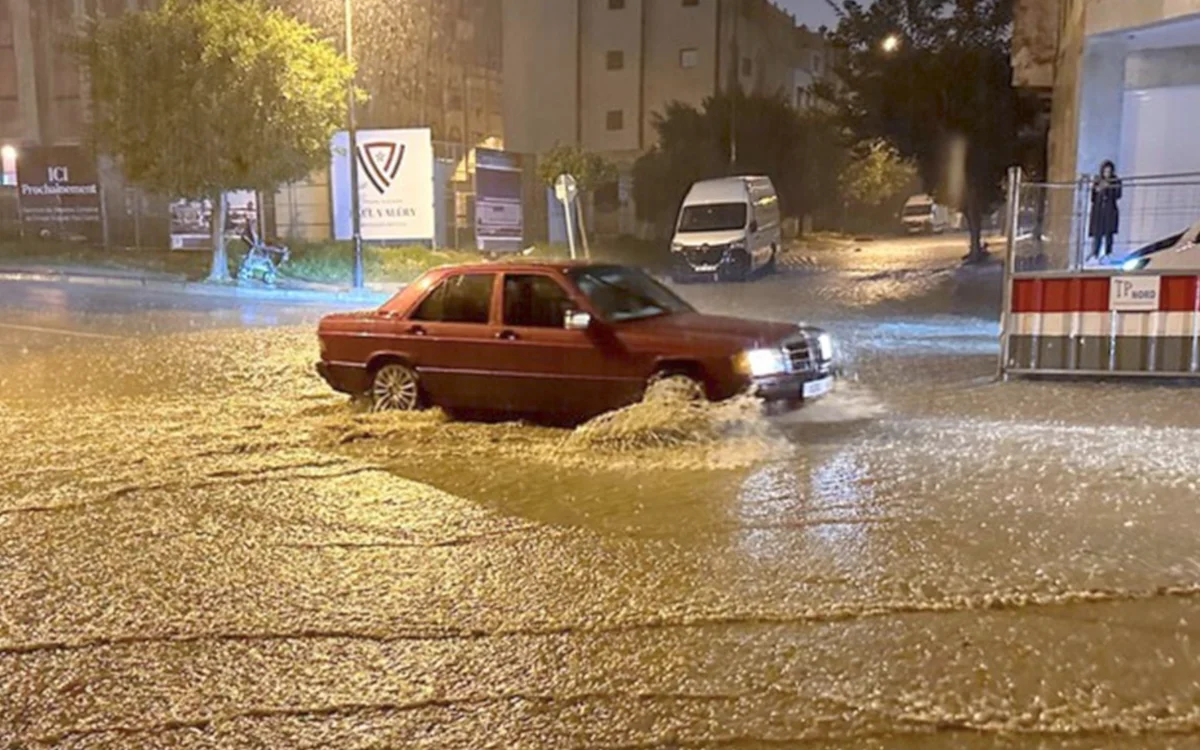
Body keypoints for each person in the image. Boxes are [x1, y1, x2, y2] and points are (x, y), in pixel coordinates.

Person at [1089, 161, 1122, 261]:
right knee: (1097, 234)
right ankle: (1095, 253)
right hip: (1098, 210)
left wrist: (1110, 187)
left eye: (1109, 171)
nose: (1107, 173)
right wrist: (1098, 189)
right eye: (1105, 171)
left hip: (1110, 210)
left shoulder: (1116, 181)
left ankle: (1108, 253)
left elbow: (1118, 195)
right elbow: (1093, 198)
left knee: (1109, 233)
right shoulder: (1098, 180)